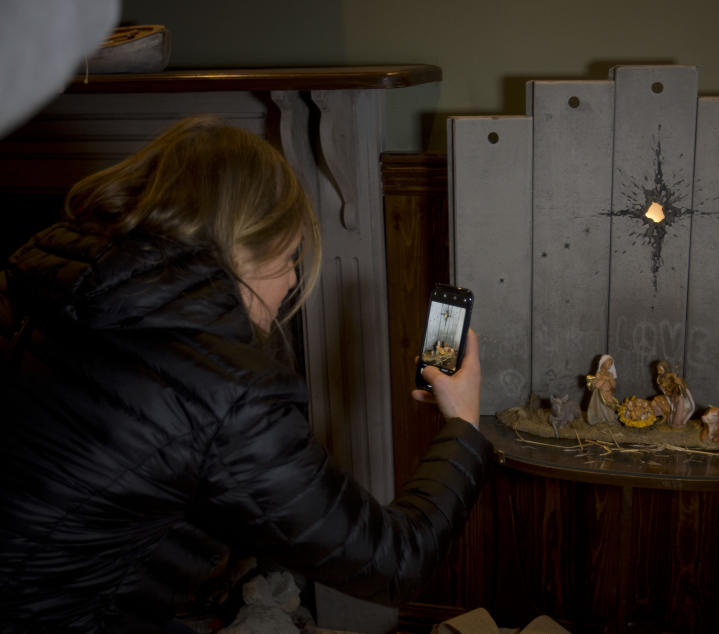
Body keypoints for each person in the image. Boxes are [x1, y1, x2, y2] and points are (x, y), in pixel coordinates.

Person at [0, 116, 490, 632]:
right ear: (240, 248)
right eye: (288, 259)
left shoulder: (40, 283)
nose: (294, 281)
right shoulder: (221, 389)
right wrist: (462, 423)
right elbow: (397, 563)